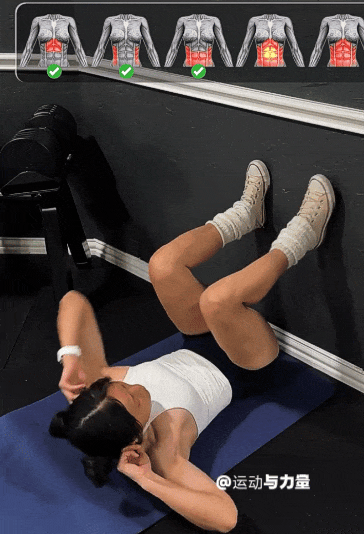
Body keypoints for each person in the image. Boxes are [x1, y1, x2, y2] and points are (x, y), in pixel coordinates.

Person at [49, 160, 335, 532]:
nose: (135, 386)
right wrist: (147, 479)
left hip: (197, 340)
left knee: (162, 265)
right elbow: (226, 518)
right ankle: (303, 235)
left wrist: (70, 357)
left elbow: (73, 302)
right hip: (246, 365)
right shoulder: (165, 452)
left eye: (119, 386)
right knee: (217, 301)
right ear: (135, 434)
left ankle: (245, 215)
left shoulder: (101, 393)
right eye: (135, 398)